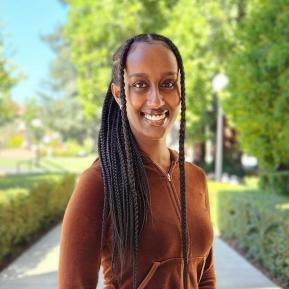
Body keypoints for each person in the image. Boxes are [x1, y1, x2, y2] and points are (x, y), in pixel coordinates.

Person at [58, 33, 216, 289]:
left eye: (167, 83)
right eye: (140, 85)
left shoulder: (195, 177)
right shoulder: (99, 182)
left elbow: (205, 276)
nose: (157, 100)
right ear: (120, 95)